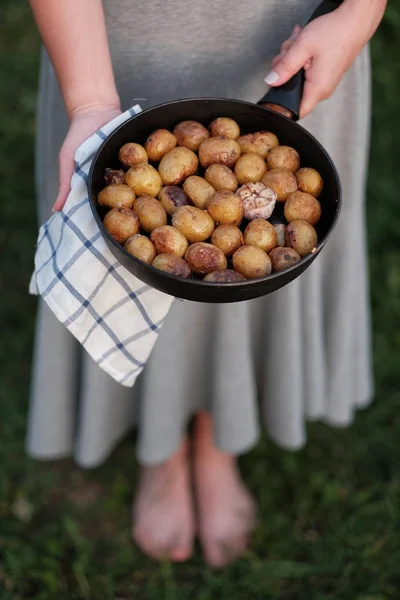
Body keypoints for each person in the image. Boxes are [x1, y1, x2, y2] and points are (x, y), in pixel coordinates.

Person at [27, 0, 386, 568]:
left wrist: (360, 13)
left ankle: (215, 442)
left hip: (298, 23)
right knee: (134, 274)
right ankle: (163, 449)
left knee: (240, 285)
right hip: (110, 43)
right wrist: (92, 99)